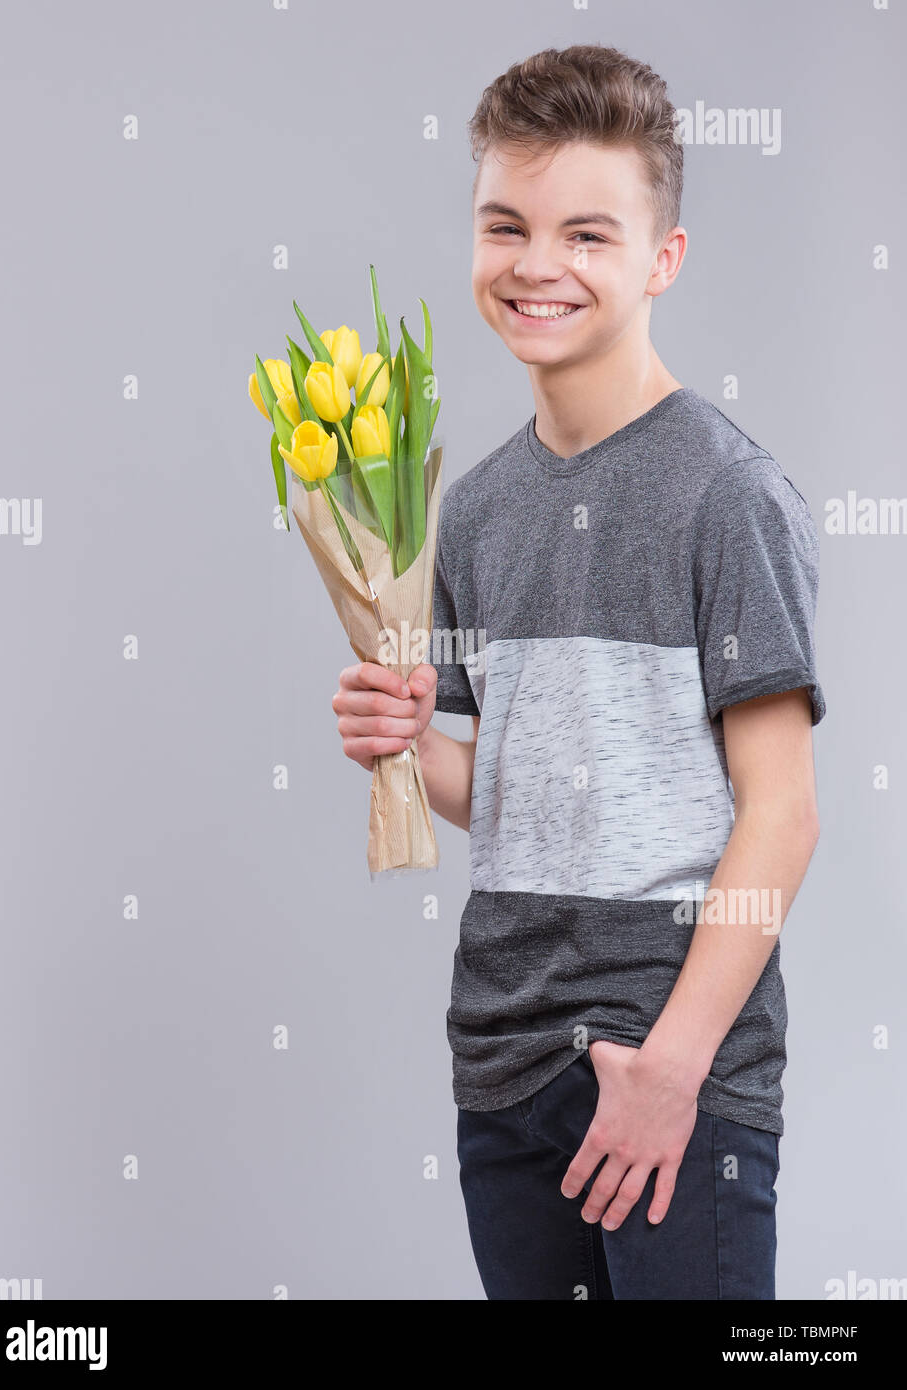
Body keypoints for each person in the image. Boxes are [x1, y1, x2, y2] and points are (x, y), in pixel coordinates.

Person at [332, 43, 825, 1300]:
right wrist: (407, 741)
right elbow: (514, 785)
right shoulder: (479, 507)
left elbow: (783, 813)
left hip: (675, 1068)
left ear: (663, 258)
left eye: (588, 235)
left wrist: (674, 1067)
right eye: (507, 225)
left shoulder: (727, 491)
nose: (537, 265)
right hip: (504, 1064)